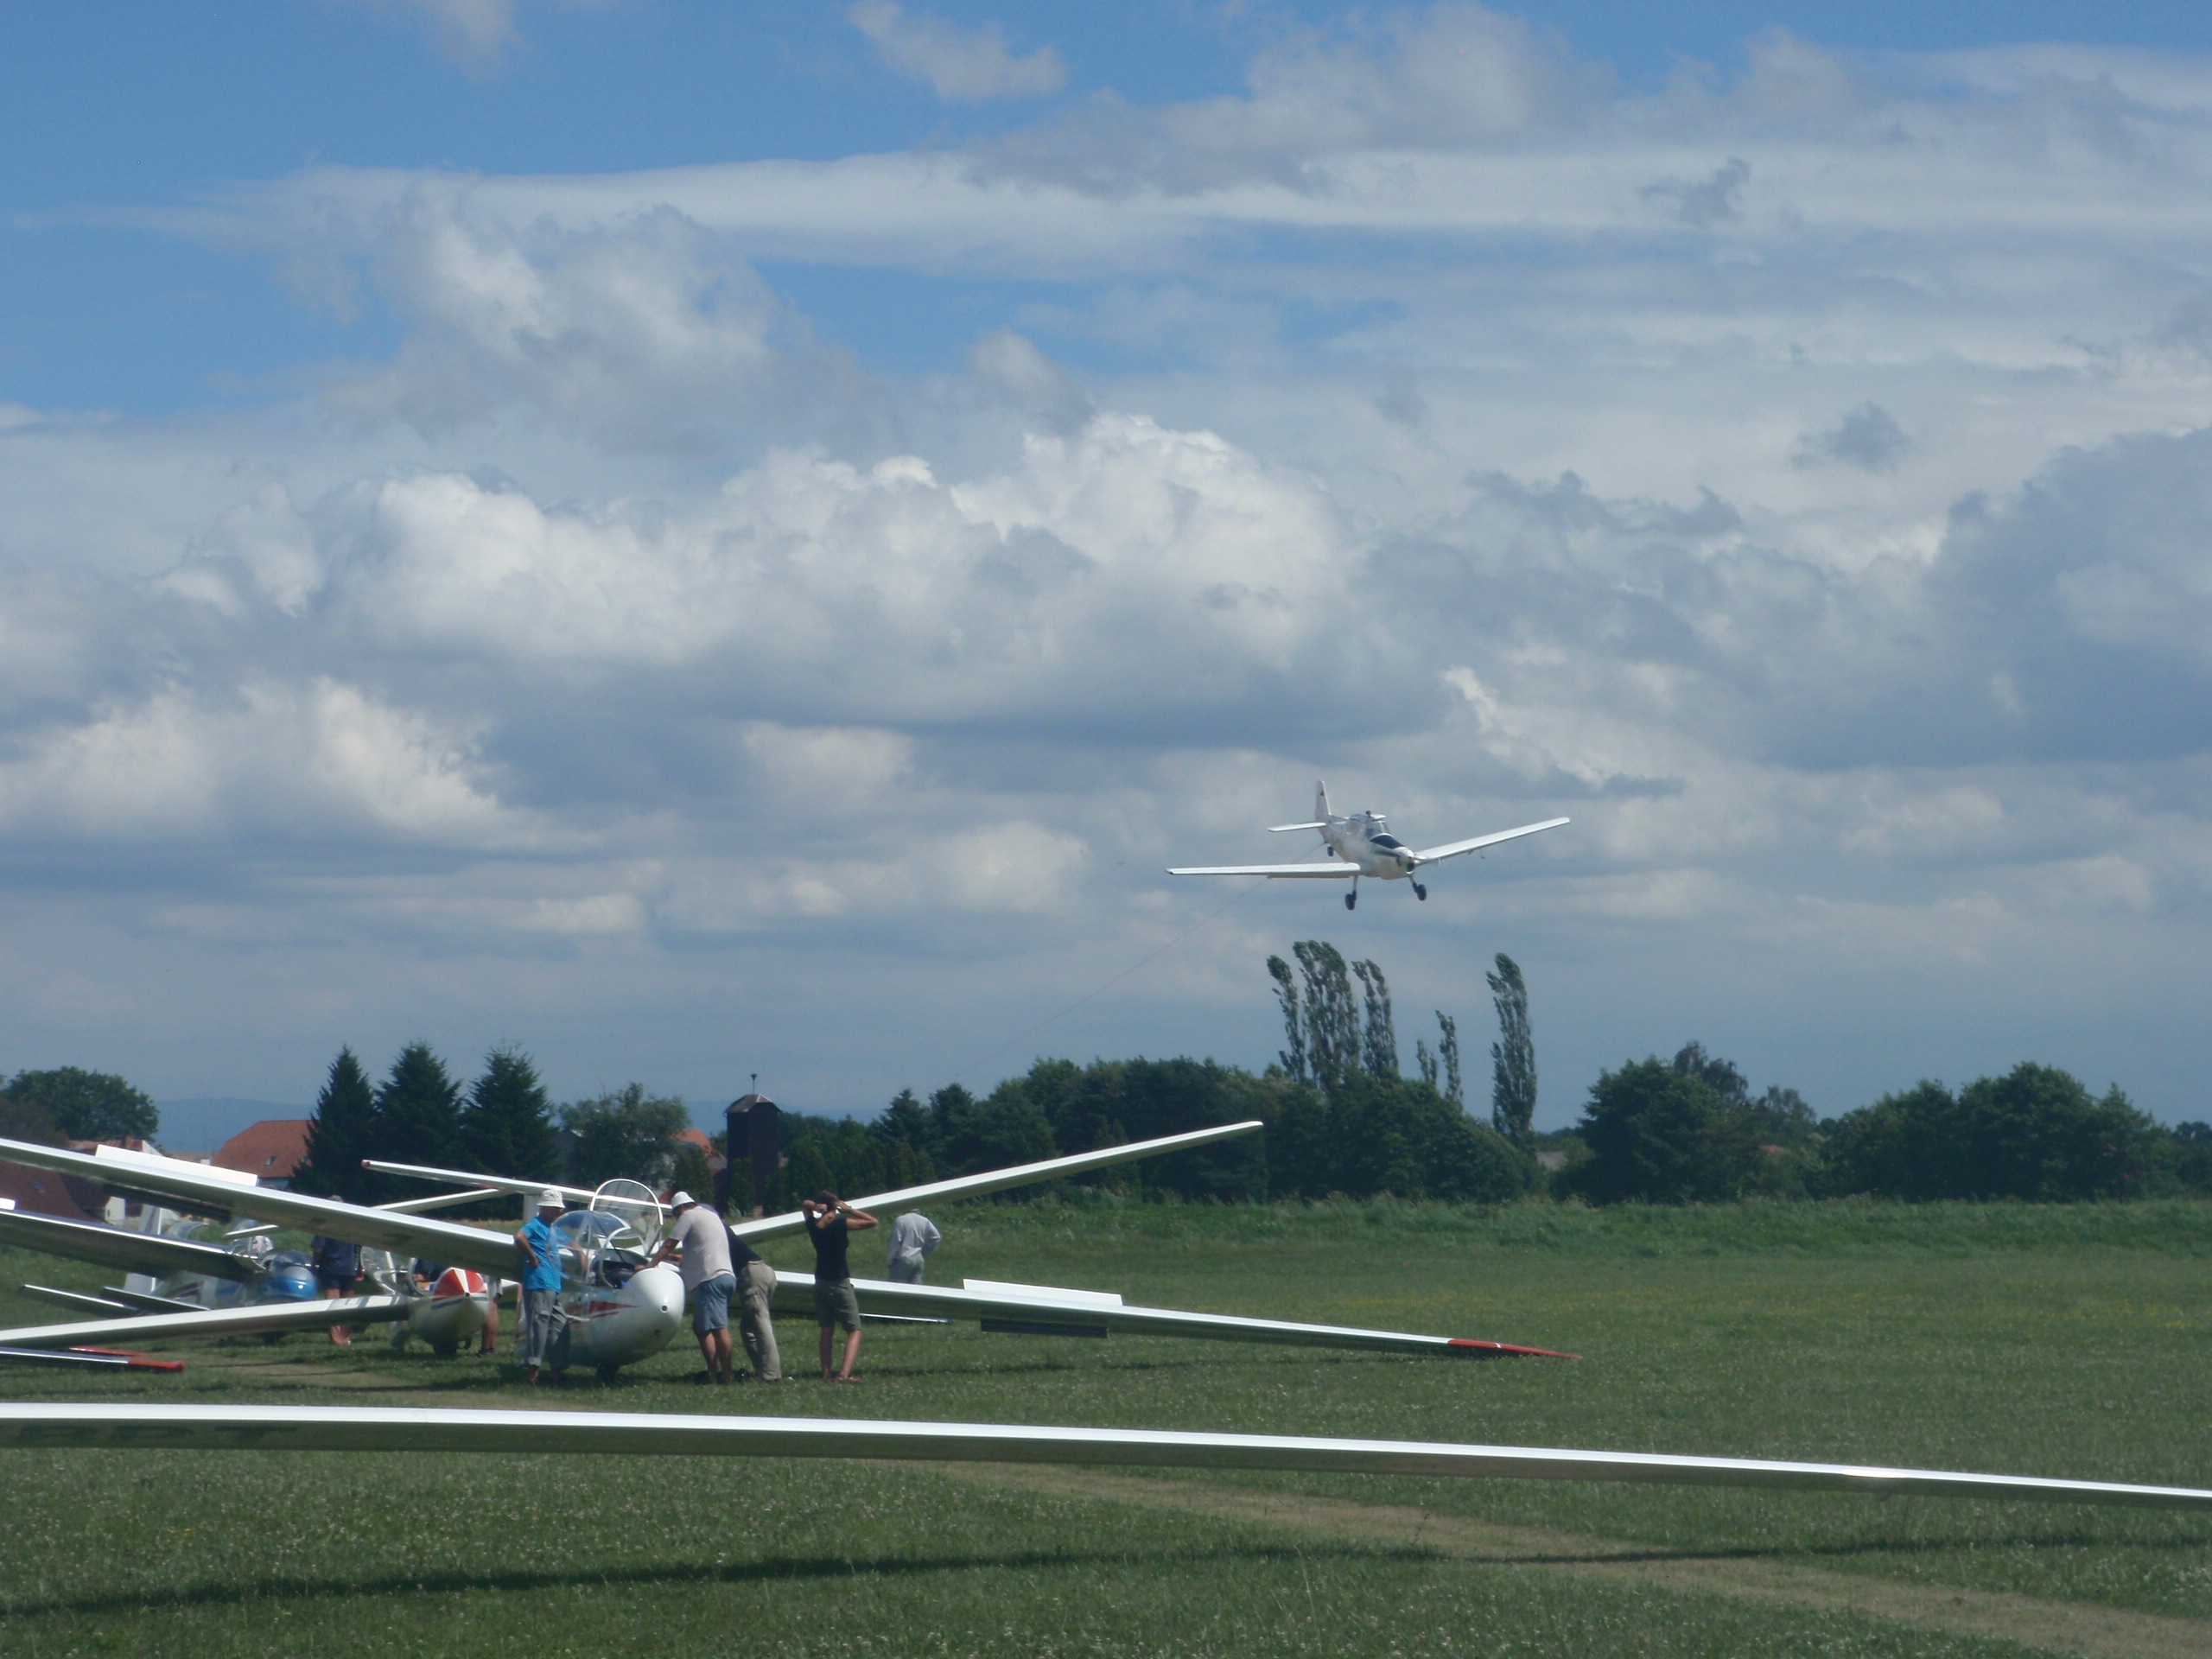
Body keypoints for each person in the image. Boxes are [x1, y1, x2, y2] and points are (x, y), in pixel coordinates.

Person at [652, 1191, 738, 1385]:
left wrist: (651, 1264)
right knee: (700, 1328)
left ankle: (725, 1374)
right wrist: (675, 1259)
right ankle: (713, 1371)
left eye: (676, 1214)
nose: (677, 1217)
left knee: (718, 1328)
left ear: (680, 1208)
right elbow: (703, 1250)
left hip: (710, 1280)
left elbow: (670, 1243)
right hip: (725, 1276)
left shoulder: (688, 1216)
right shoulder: (711, 1215)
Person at [802, 1190, 876, 1382]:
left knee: (827, 1329)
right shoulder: (840, 1225)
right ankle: (844, 1374)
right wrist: (850, 1210)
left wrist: (815, 1207)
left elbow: (805, 1205)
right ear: (835, 1207)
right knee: (854, 1330)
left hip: (820, 1282)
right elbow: (872, 1221)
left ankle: (826, 1373)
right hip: (840, 1283)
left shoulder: (813, 1226)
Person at [512, 1190, 570, 1384]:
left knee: (560, 1325)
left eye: (559, 1209)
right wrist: (532, 1256)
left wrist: (579, 1252)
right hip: (539, 1282)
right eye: (555, 1208)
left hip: (553, 1284)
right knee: (539, 1325)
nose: (559, 1212)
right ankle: (533, 1371)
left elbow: (570, 1242)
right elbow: (519, 1236)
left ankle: (557, 1370)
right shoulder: (535, 1225)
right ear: (544, 1208)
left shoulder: (553, 1229)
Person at [726, 1219, 782, 1382]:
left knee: (760, 1324)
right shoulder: (722, 1230)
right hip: (762, 1270)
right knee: (748, 1328)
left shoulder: (713, 1233)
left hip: (752, 1273)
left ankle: (771, 1375)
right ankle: (762, 1369)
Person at [310, 1234, 361, 1346]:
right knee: (348, 1304)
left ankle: (336, 1339)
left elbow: (318, 1249)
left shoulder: (325, 1228)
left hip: (330, 1267)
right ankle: (346, 1337)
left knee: (332, 1304)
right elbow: (362, 1247)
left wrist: (315, 1264)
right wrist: (360, 1267)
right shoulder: (351, 1228)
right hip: (349, 1267)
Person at [885, 1211, 941, 1284]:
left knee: (896, 1287)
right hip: (918, 1258)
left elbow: (896, 1241)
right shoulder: (924, 1220)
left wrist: (890, 1260)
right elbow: (936, 1237)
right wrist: (924, 1252)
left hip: (903, 1258)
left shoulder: (901, 1220)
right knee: (915, 1288)